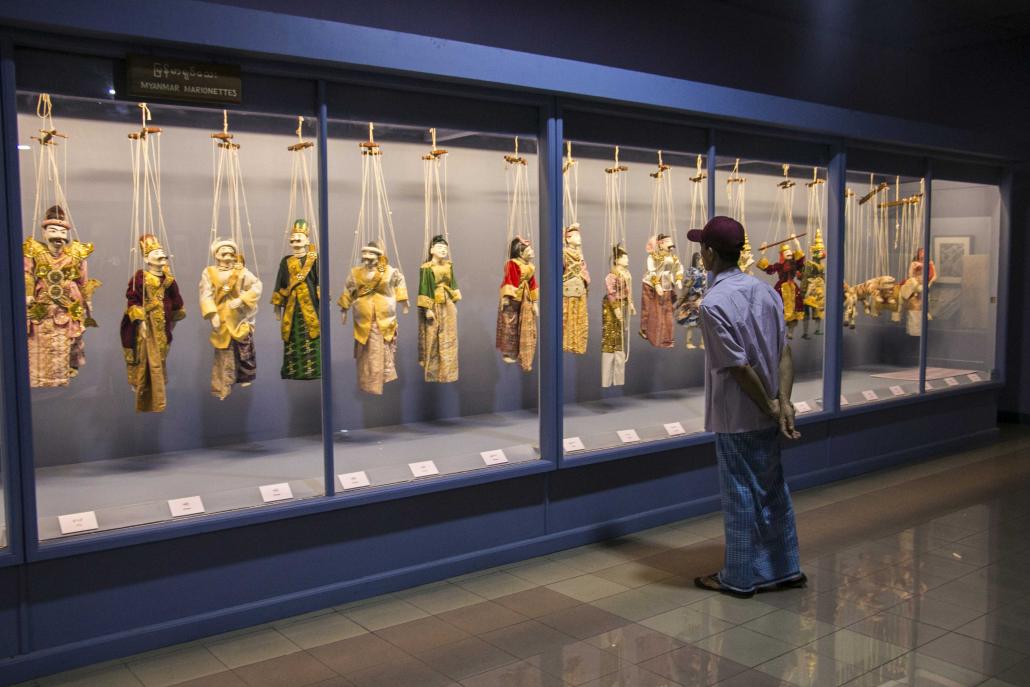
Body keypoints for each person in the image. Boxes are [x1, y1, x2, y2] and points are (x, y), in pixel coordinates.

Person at [687, 216, 805, 598]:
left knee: (739, 492)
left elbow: (737, 366)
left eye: (701, 248)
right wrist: (782, 401)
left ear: (708, 253)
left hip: (738, 416)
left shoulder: (713, 304)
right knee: (772, 488)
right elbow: (784, 350)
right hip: (768, 409)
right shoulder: (766, 292)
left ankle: (739, 577)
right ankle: (785, 568)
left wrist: (771, 406)